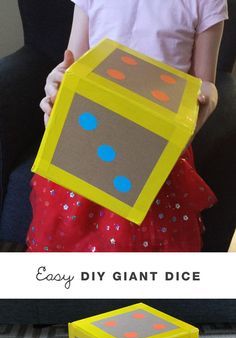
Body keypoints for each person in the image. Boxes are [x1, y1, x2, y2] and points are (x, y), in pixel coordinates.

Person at [27, 0, 228, 252]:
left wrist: (206, 104)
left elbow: (206, 83)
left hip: (156, 142)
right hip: (87, 133)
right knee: (67, 237)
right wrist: (54, 85)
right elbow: (72, 65)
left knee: (144, 241)